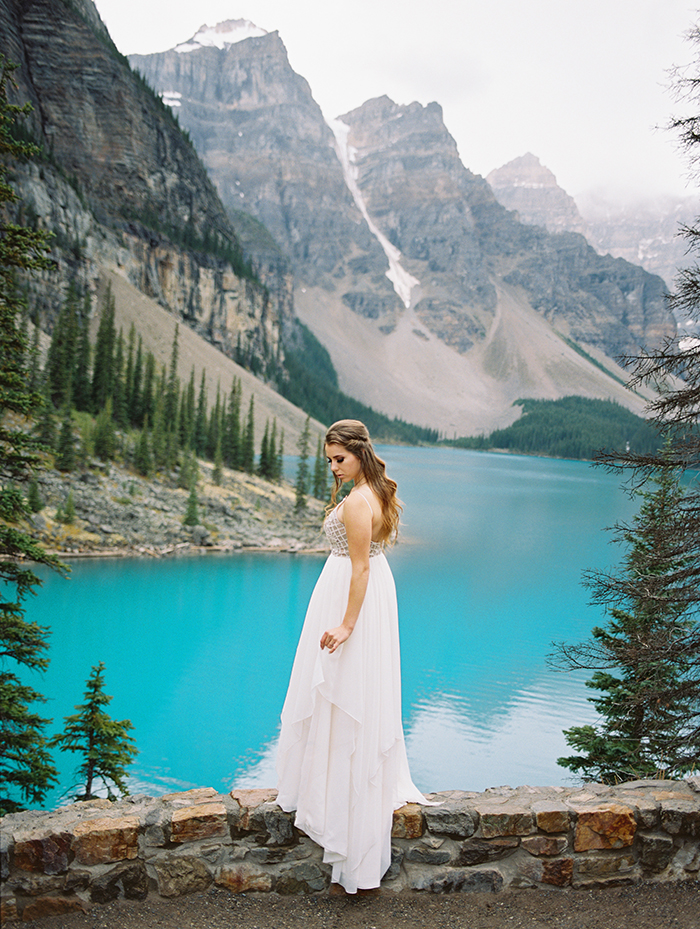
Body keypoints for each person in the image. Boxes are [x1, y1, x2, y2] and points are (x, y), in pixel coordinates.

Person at [276, 419, 430, 894]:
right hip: (354, 591)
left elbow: (360, 566)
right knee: (344, 689)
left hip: (353, 596)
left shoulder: (362, 501)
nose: (333, 467)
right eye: (329, 460)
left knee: (346, 689)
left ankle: (342, 799)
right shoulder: (367, 492)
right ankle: (331, 785)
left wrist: (346, 624)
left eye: (339, 458)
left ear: (360, 453)